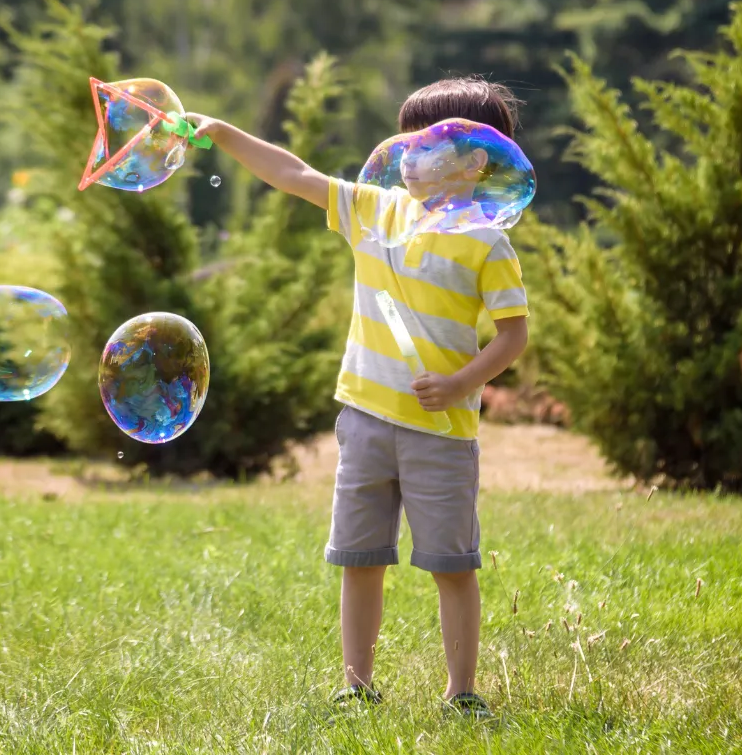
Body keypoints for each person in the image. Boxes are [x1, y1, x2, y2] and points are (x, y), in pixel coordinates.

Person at [185, 78, 531, 718]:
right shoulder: (376, 209)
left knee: (451, 563)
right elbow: (293, 173)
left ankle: (461, 692)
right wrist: (224, 133)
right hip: (365, 420)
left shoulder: (488, 241)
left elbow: (513, 335)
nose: (407, 153)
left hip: (441, 431)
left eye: (427, 142)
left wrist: (461, 384)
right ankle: (357, 683)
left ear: (476, 159)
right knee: (360, 555)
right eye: (405, 137)